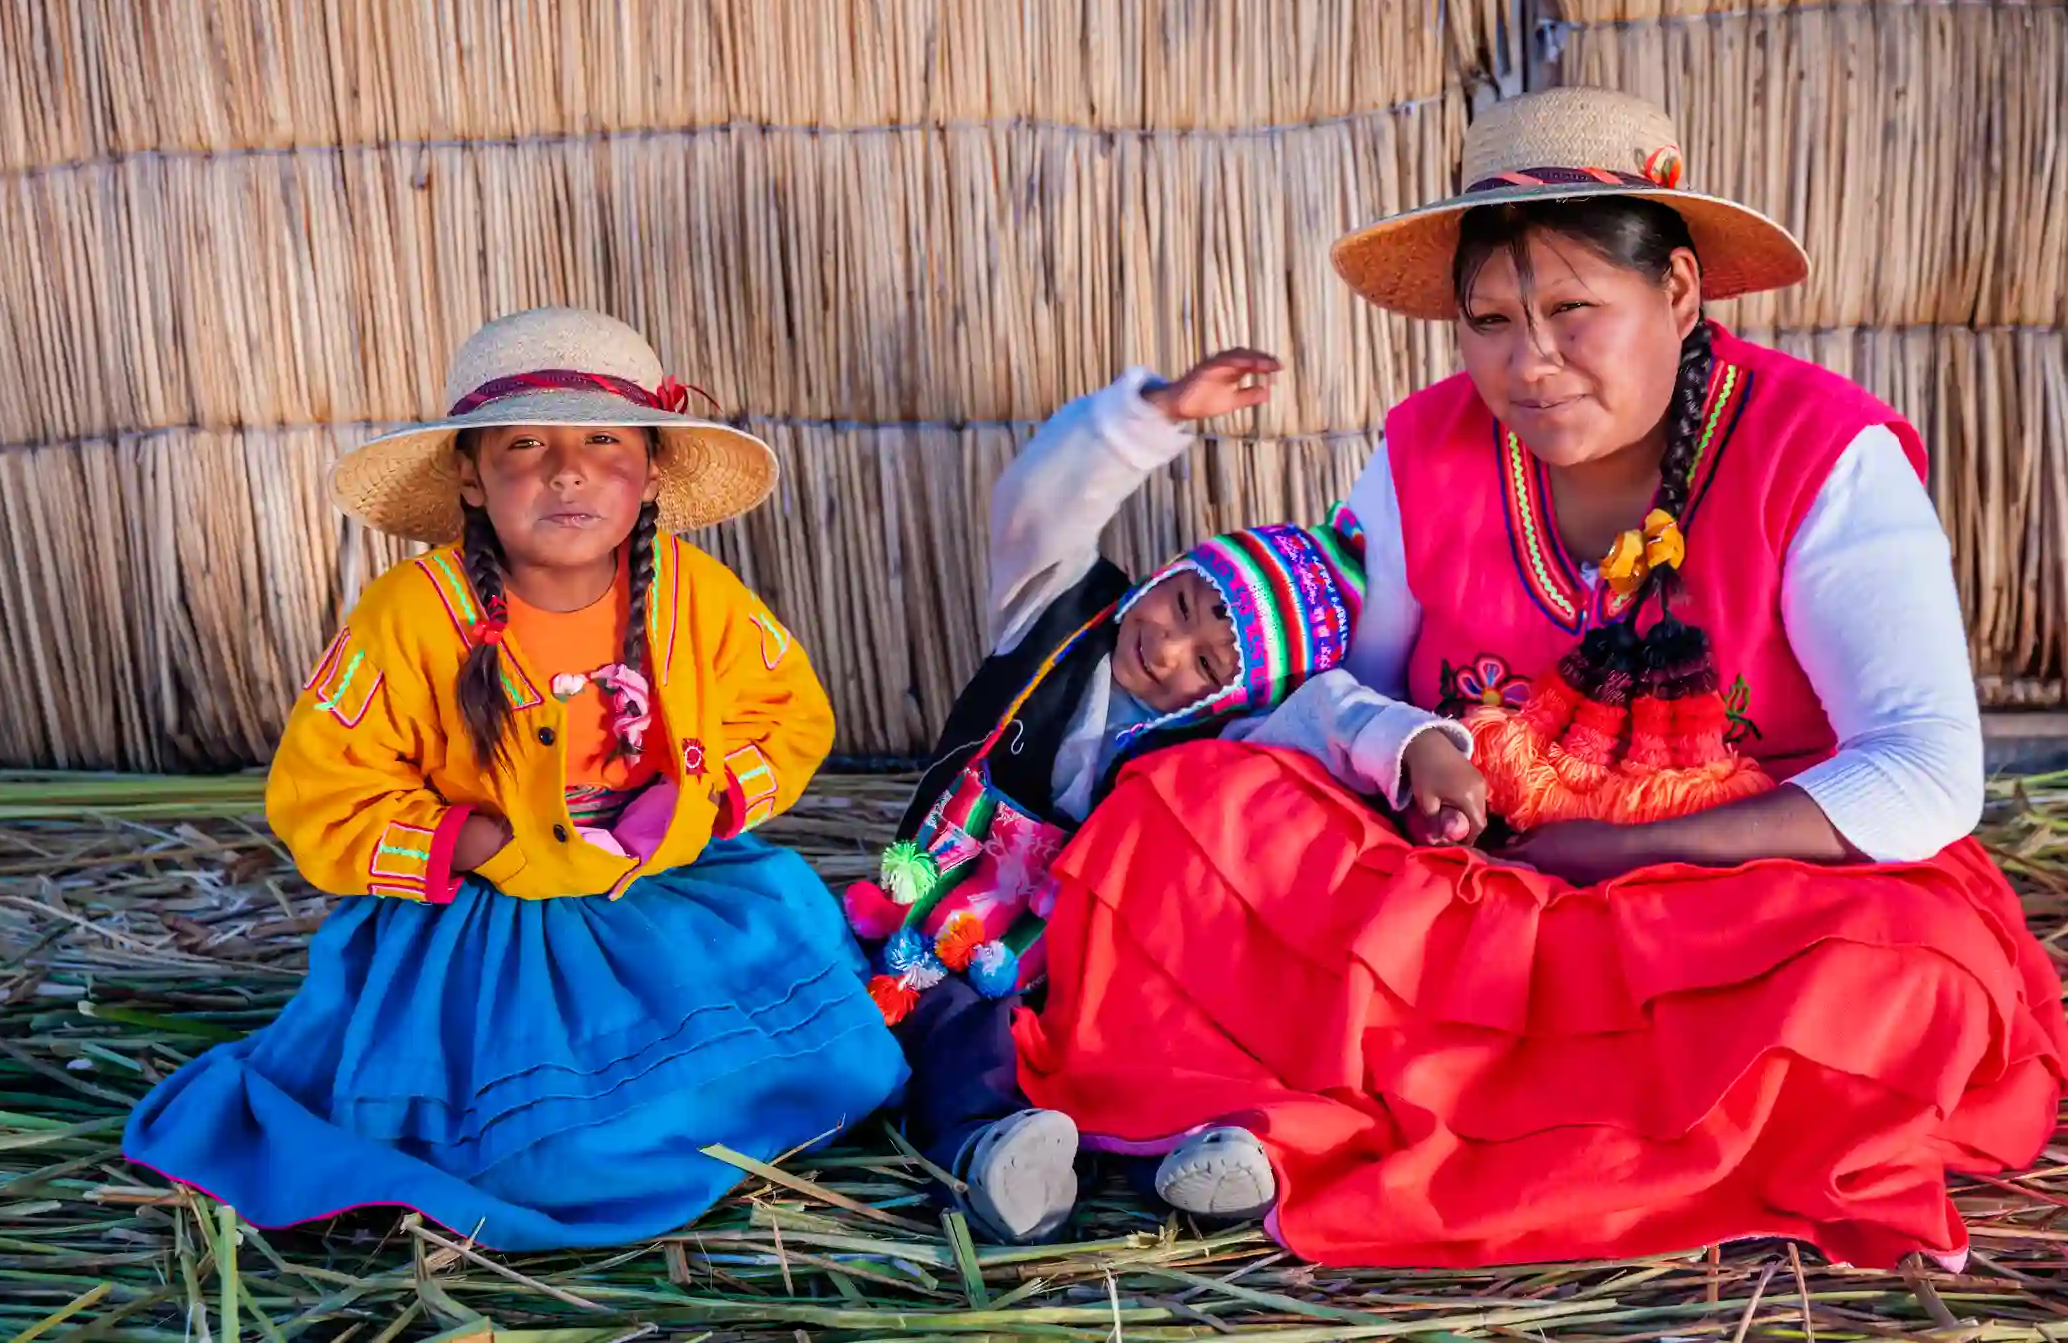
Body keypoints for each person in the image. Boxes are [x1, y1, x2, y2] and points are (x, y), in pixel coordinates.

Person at [1015, 88, 2068, 1268]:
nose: (1530, 362)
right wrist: (1424, 768)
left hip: (1742, 899)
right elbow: (1346, 696)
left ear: (1676, 292)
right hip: (1475, 885)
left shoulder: (1820, 453)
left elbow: (1927, 772)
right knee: (1191, 805)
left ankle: (1371, 1109)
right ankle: (1509, 1110)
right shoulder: (1425, 450)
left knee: (1906, 976)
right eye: (1491, 321)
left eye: (1574, 310)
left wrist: (1619, 854)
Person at [123, 307, 907, 1250]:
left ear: (650, 468)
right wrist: (482, 841)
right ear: (469, 472)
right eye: (526, 442)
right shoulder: (410, 616)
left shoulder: (693, 597)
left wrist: (693, 801)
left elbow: (785, 714)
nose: (566, 469)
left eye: (603, 439)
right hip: (485, 926)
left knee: (851, 1057)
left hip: (658, 885)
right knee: (537, 1156)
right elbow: (324, 787)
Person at [847, 349, 1474, 1245]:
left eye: (1210, 664)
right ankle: (990, 1159)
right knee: (962, 1033)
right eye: (1181, 604)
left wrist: (1418, 745)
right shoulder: (1055, 617)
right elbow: (1039, 499)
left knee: (1134, 1045)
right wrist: (1153, 416)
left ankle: (1202, 1155)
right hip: (926, 915)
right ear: (1169, 571)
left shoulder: (1216, 742)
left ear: (1235, 694)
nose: (1169, 648)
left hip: (1069, 961)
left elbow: (1328, 710)